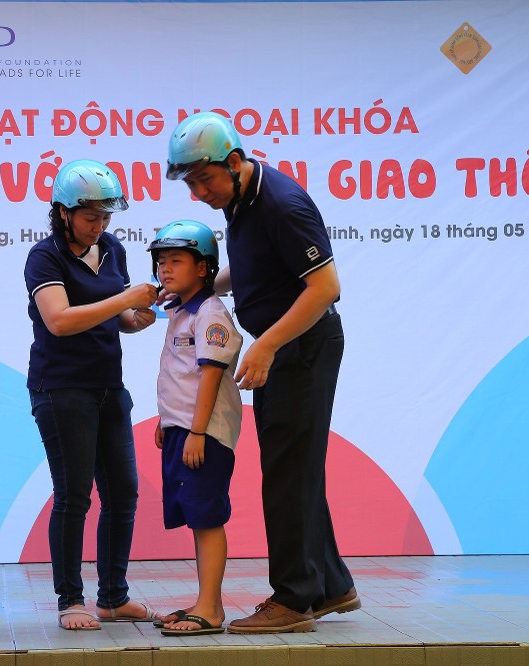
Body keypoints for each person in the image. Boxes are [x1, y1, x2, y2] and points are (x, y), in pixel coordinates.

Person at [165, 112, 360, 634]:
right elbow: (256, 270)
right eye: (191, 183)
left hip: (302, 348)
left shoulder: (281, 203)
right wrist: (198, 289)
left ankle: (294, 600)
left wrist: (267, 345)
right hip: (285, 349)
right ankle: (332, 585)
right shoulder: (240, 201)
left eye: (205, 179)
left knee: (287, 474)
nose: (199, 192)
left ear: (234, 161)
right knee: (296, 468)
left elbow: (325, 288)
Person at [23, 159, 161, 630]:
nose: (99, 226)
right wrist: (125, 300)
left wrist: (138, 317)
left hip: (108, 387)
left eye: (106, 217)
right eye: (90, 217)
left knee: (124, 492)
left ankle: (113, 597)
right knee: (73, 496)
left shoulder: (113, 248)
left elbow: (116, 316)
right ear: (62, 212)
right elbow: (59, 321)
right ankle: (70, 600)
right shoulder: (45, 257)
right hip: (61, 389)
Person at [147, 221, 242, 636]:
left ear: (204, 267)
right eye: (161, 262)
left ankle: (211, 609)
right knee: (197, 518)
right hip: (184, 430)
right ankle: (208, 604)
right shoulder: (180, 311)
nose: (165, 270)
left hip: (205, 434)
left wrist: (197, 432)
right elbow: (178, 376)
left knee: (207, 518)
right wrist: (168, 422)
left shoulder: (211, 313)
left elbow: (209, 377)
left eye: (176, 261)